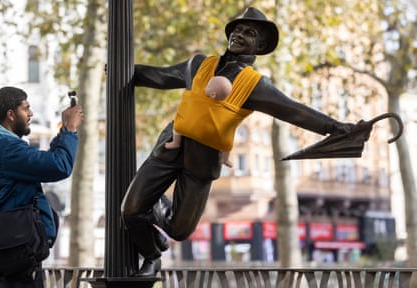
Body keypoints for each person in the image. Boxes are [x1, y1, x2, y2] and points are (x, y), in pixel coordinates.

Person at [121, 7, 355, 276]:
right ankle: (152, 256)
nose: (239, 34)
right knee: (131, 210)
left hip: (202, 162)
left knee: (179, 230)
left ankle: (153, 209)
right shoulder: (198, 63)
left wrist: (339, 128)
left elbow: (295, 110)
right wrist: (125, 70)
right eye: (237, 29)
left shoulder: (254, 84)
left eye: (249, 32)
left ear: (261, 44)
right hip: (170, 147)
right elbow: (162, 76)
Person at [0, 86, 83, 287]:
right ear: (11, 114)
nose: (31, 114)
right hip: (17, 249)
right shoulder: (5, 148)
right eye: (25, 108)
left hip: (8, 245)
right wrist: (70, 130)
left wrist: (63, 132)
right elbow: (59, 166)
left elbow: (45, 163)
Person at [165, 75, 234, 167]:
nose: (205, 87)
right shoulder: (223, 108)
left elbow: (187, 96)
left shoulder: (198, 97)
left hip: (191, 130)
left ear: (213, 94)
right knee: (228, 143)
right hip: (212, 136)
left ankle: (175, 143)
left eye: (208, 86)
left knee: (177, 126)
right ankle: (225, 159)